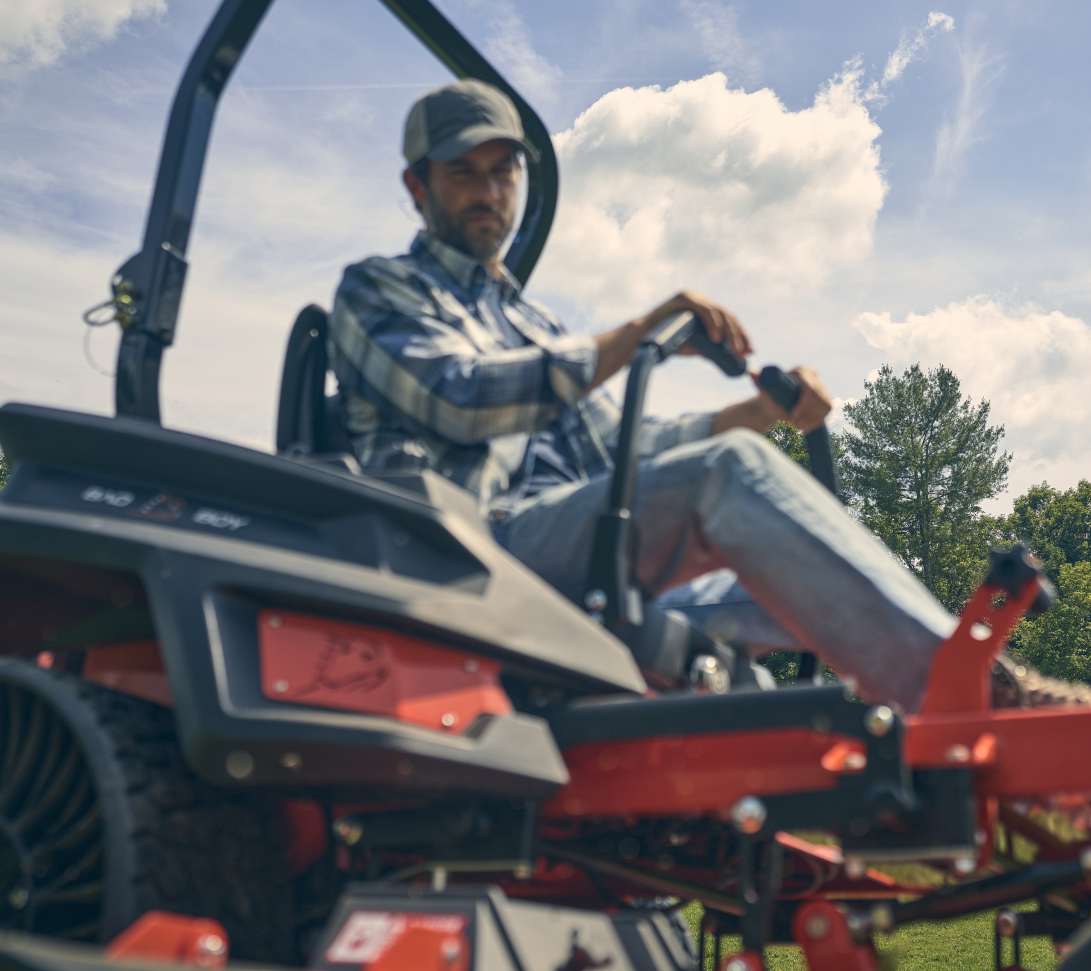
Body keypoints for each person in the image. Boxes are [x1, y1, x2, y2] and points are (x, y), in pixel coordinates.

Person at [328, 79, 953, 713]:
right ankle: (966, 693)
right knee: (726, 474)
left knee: (784, 574)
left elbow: (628, 448)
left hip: (584, 553)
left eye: (503, 171)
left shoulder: (534, 326)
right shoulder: (380, 290)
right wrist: (636, 334)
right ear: (418, 187)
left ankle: (934, 761)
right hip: (471, 552)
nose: (488, 192)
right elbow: (460, 400)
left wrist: (758, 415)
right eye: (464, 173)